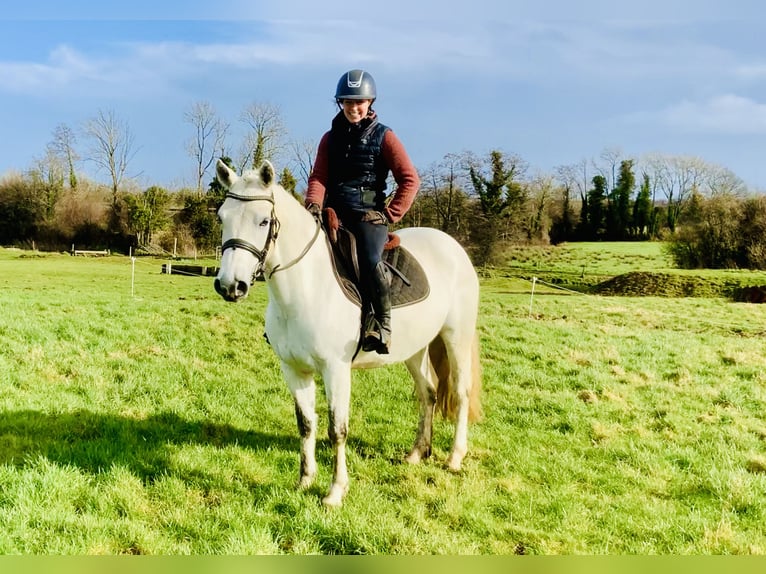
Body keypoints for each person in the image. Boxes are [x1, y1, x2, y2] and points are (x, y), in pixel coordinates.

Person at [305, 69, 420, 354]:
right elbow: (318, 177)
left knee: (369, 260)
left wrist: (391, 214)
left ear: (370, 103)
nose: (353, 108)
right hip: (334, 213)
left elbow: (410, 179)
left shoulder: (385, 137)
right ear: (340, 103)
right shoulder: (328, 139)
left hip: (370, 217)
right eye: (347, 102)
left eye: (359, 102)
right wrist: (313, 206)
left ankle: (382, 324)